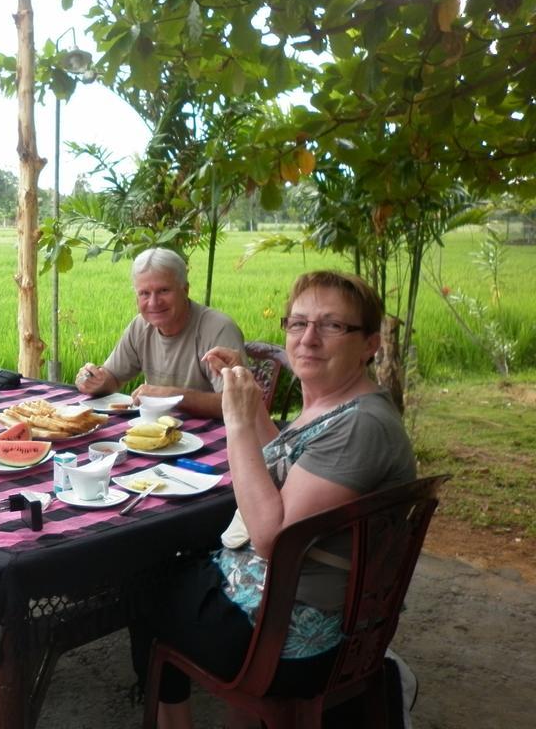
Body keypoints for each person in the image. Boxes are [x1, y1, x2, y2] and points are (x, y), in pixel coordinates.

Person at [132, 270, 417, 729]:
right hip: (290, 603)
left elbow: (272, 537)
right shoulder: (336, 405)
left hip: (295, 635)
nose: (308, 339)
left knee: (146, 584)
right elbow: (282, 465)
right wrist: (246, 404)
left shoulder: (361, 426)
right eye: (298, 323)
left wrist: (239, 421)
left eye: (332, 326)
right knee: (172, 561)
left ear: (369, 344)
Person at [75, 247, 244, 418]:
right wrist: (92, 380)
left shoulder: (218, 329)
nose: (154, 302)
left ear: (185, 290)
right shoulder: (140, 326)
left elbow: (238, 403)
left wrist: (171, 396)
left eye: (164, 290)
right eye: (144, 293)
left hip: (216, 437)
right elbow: (113, 377)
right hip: (156, 431)